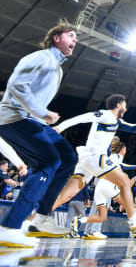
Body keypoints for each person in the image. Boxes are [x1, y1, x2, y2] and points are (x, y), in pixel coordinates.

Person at [0, 20, 79, 246]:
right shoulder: (41, 57)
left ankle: (42, 217)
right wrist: (42, 113)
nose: (75, 41)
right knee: (48, 162)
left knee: (68, 157)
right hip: (13, 117)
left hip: (33, 120)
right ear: (57, 38)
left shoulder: (58, 68)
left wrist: (41, 117)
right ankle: (10, 226)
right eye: (71, 35)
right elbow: (17, 84)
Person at [51, 93, 136, 232]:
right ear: (118, 105)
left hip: (86, 161)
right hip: (94, 157)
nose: (126, 109)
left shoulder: (116, 121)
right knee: (125, 181)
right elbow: (83, 118)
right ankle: (134, 219)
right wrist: (60, 127)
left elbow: (133, 128)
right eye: (125, 106)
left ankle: (37, 218)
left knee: (67, 194)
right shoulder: (105, 114)